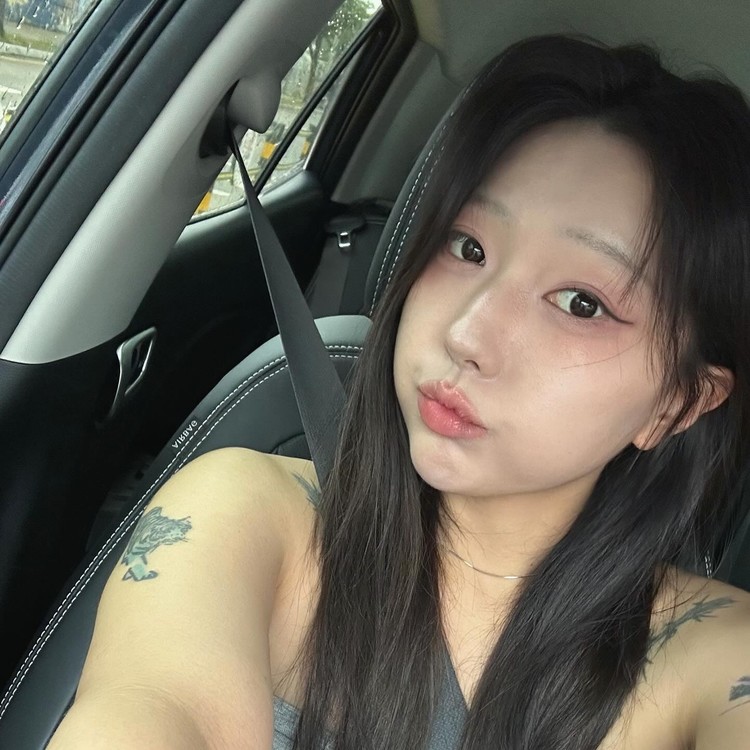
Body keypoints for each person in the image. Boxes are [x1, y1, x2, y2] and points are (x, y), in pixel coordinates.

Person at [48, 34, 750, 749]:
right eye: (468, 247)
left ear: (678, 403)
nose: (467, 334)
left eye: (581, 303)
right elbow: (156, 711)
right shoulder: (245, 514)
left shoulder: (713, 655)